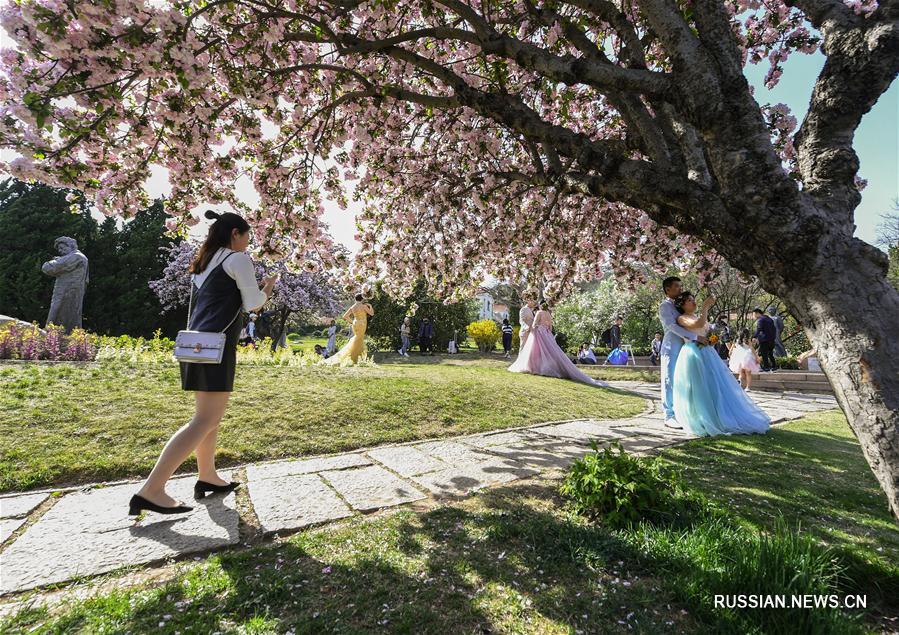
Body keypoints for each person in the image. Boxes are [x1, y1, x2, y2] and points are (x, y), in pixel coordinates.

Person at [130, 211, 276, 516]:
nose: (249, 242)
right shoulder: (238, 259)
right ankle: (152, 490)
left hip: (196, 346)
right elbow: (253, 305)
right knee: (204, 421)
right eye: (248, 236)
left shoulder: (205, 263)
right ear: (236, 233)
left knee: (207, 418)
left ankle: (207, 475)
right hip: (216, 348)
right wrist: (268, 289)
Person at [671, 291, 770, 437]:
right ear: (682, 304)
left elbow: (707, 330)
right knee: (698, 386)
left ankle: (718, 414)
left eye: (693, 299)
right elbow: (697, 324)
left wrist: (713, 338)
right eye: (689, 300)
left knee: (713, 383)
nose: (693, 302)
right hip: (693, 353)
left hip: (707, 352)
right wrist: (705, 307)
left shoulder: (696, 316)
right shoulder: (681, 318)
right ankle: (702, 417)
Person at [509, 303, 608, 386]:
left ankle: (536, 366)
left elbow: (534, 324)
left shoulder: (539, 312)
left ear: (540, 307)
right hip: (547, 333)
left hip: (539, 332)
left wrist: (534, 329)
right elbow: (551, 326)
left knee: (536, 350)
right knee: (551, 350)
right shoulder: (548, 314)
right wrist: (547, 332)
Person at [658, 276, 705, 429]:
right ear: (668, 289)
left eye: (680, 286)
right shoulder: (665, 306)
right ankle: (669, 415)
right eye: (676, 286)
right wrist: (694, 337)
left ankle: (684, 412)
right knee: (669, 379)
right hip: (671, 346)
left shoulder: (679, 305)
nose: (680, 289)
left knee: (684, 380)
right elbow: (671, 326)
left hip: (687, 347)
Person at [326, 294, 374, 365]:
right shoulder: (363, 306)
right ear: (362, 299)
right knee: (359, 339)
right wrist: (370, 306)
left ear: (355, 299)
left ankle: (356, 358)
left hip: (355, 324)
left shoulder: (353, 307)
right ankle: (355, 358)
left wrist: (353, 322)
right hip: (362, 324)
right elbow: (372, 313)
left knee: (357, 339)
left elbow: (345, 316)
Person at [753, 307, 777, 372]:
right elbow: (774, 329)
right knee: (770, 353)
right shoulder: (769, 319)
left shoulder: (760, 320)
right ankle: (774, 366)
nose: (754, 316)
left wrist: (754, 337)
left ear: (757, 313)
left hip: (764, 340)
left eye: (754, 314)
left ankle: (766, 367)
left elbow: (759, 328)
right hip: (772, 340)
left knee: (764, 354)